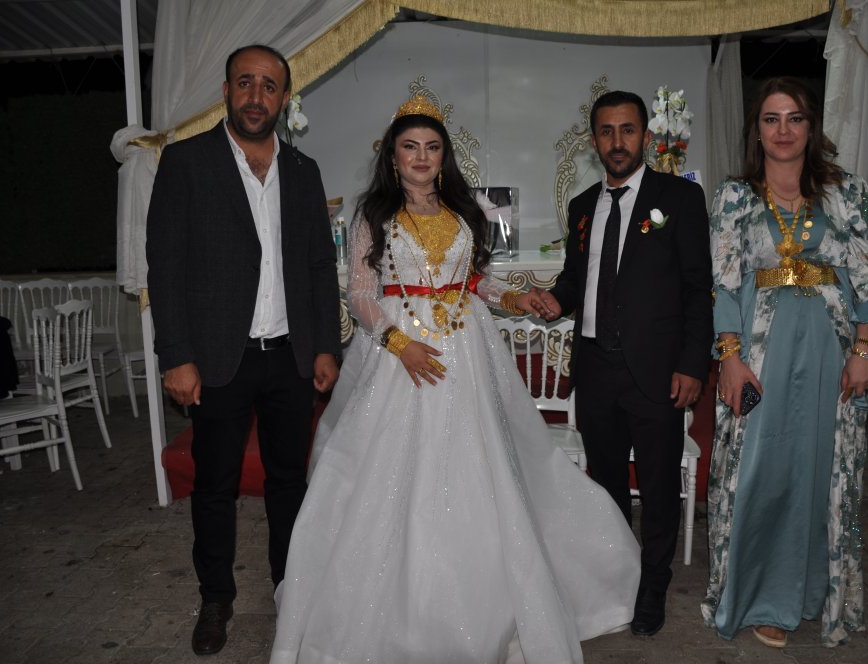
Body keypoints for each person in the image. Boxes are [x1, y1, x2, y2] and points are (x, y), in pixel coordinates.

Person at [270, 96, 640, 664]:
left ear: (444, 156)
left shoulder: (464, 210)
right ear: (393, 157)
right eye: (410, 147)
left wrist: (515, 297)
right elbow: (361, 295)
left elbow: (475, 282)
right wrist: (400, 345)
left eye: (432, 147)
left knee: (481, 467)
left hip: (466, 349)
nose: (421, 157)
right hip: (400, 353)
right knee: (389, 474)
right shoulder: (375, 214)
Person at [146, 44, 341, 656]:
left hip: (289, 354)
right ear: (227, 91)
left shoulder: (304, 170)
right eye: (245, 83)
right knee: (215, 485)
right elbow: (165, 266)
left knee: (289, 481)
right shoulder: (186, 162)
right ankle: (216, 598)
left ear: (285, 97)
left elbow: (319, 265)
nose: (257, 97)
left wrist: (325, 346)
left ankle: (290, 588)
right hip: (216, 358)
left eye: (269, 86)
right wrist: (176, 355)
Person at [700, 76, 868, 648]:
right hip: (759, 351)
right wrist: (730, 358)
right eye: (771, 119)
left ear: (811, 127)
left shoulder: (849, 192)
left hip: (831, 348)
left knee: (823, 470)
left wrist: (864, 349)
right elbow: (722, 281)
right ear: (756, 130)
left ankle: (816, 595)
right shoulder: (735, 196)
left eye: (795, 118)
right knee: (758, 471)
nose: (783, 130)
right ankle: (761, 597)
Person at [536, 90, 714, 637]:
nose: (617, 142)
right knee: (607, 483)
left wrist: (693, 364)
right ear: (594, 140)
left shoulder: (678, 198)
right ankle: (618, 576)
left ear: (646, 137)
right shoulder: (582, 206)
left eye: (628, 130)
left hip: (658, 371)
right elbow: (575, 278)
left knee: (658, 487)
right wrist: (554, 301)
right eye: (607, 132)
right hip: (595, 369)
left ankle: (653, 585)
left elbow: (697, 288)